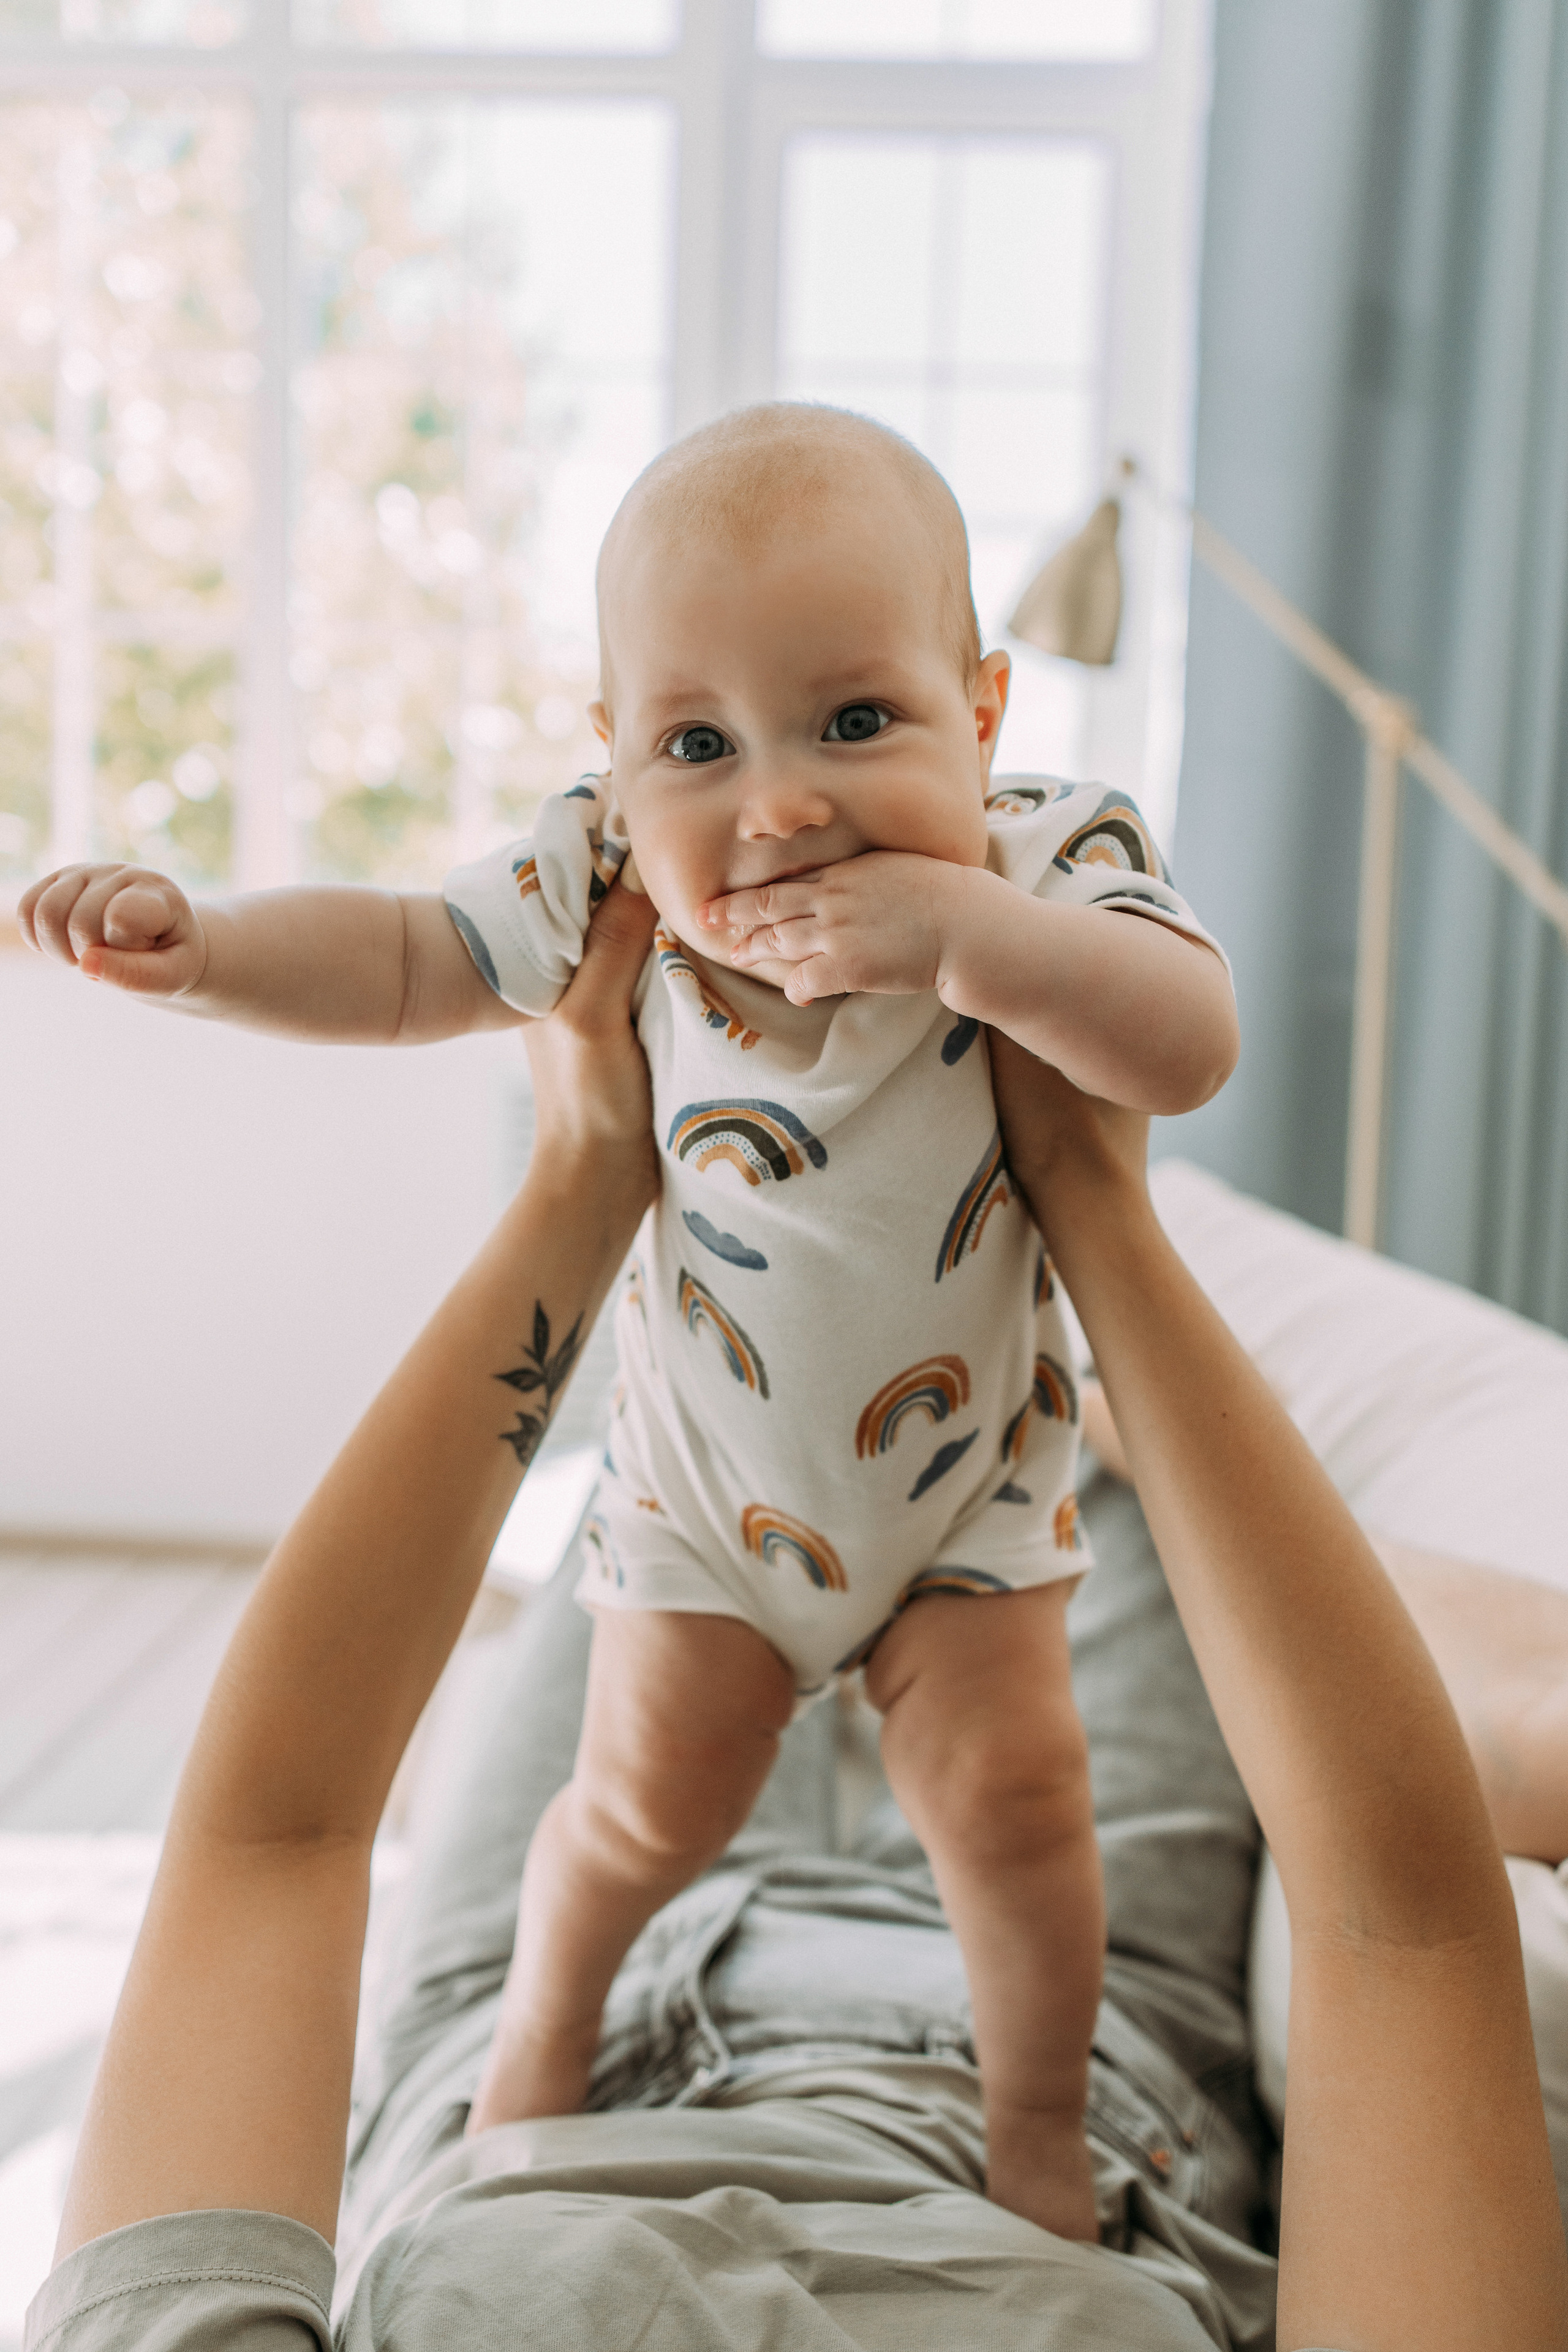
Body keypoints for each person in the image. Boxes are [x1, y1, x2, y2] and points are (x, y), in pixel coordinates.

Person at [24, 878, 1567, 2350]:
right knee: (1097, 1503)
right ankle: (1080, 1400)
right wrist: (1093, 1212)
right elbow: (1400, 1924)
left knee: (694, 1445)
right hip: (1071, 2095)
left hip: (539, 2068)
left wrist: (585, 1184)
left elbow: (276, 1830)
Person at [18, 403, 1238, 2241]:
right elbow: (412, 961)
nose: (779, 805)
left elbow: (1188, 1038)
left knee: (1023, 1817)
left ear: (981, 713)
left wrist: (966, 944)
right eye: (698, 743)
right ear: (613, 762)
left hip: (968, 1505)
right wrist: (206, 954)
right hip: (705, 1510)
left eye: (856, 723)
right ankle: (545, 2026)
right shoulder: (609, 881)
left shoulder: (1046, 858)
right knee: (632, 1817)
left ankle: (1039, 2124)